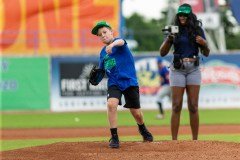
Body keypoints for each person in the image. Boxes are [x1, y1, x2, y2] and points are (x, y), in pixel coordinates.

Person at [91, 21, 153, 148]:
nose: (102, 35)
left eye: (104, 32)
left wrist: (112, 44)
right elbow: (102, 70)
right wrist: (98, 74)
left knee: (136, 113)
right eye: (99, 34)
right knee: (111, 104)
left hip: (129, 81)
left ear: (111, 32)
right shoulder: (102, 53)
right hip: (114, 82)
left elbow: (122, 42)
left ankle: (142, 128)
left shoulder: (119, 43)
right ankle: (114, 137)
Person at [159, 3, 210, 140]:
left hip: (193, 68)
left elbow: (206, 53)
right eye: (180, 14)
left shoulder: (197, 29)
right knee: (176, 105)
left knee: (193, 106)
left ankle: (195, 141)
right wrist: (169, 40)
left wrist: (204, 44)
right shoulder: (174, 30)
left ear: (190, 15)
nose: (182, 17)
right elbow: (162, 53)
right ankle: (174, 141)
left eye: (185, 15)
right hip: (177, 69)